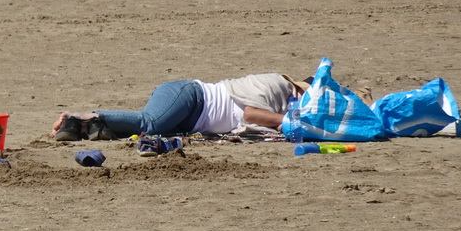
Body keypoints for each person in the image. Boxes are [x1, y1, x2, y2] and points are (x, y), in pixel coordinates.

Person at [51, 73, 308, 141]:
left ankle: (81, 127)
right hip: (192, 97)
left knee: (147, 132)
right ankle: (79, 115)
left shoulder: (286, 102)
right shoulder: (277, 85)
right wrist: (282, 121)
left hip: (190, 116)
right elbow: (250, 114)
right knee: (150, 123)